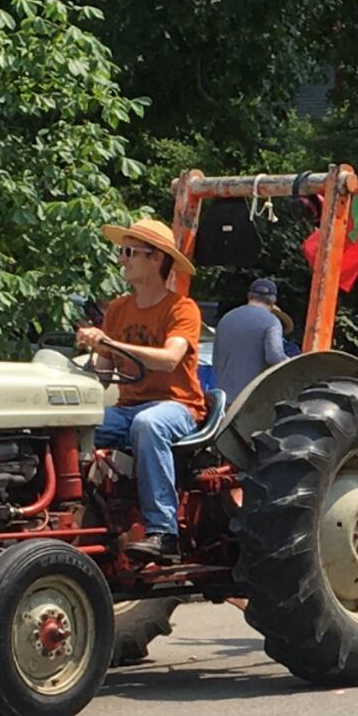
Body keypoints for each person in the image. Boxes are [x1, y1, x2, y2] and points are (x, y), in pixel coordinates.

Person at [77, 218, 207, 561]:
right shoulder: (118, 309)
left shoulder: (182, 308)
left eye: (130, 252)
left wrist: (110, 342)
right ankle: (77, 514)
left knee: (148, 425)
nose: (122, 259)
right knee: (76, 425)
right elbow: (104, 372)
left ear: (156, 259)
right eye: (122, 251)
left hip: (177, 407)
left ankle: (164, 533)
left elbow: (169, 359)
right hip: (127, 408)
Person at [211, 278, 289, 404]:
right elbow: (274, 357)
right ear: (273, 301)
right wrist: (290, 363)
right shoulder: (271, 321)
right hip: (251, 401)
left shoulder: (226, 318)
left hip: (223, 398)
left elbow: (216, 360)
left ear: (249, 296)